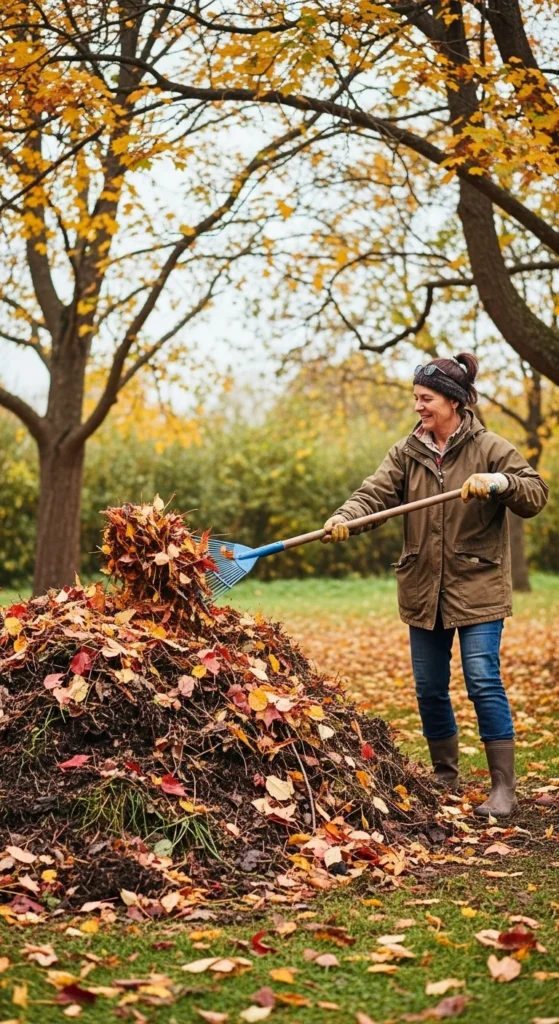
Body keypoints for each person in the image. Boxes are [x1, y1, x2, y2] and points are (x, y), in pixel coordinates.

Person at [322, 353, 548, 817]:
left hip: (477, 584)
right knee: (429, 687)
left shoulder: (489, 447)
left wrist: (501, 481)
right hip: (424, 587)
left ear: (453, 400)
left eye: (425, 398)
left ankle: (503, 788)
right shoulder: (408, 452)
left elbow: (535, 492)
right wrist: (346, 517)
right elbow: (374, 494)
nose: (418, 407)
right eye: (416, 398)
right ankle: (445, 777)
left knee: (483, 679)